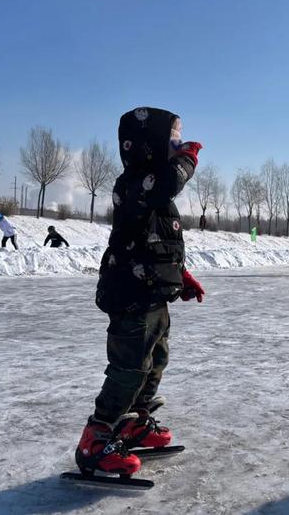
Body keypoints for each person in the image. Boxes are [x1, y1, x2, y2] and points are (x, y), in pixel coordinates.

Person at [76, 107, 205, 477]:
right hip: (130, 293)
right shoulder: (134, 184)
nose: (179, 145)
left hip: (154, 294)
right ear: (148, 147)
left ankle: (134, 422)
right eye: (174, 140)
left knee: (156, 360)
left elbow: (159, 244)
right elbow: (166, 182)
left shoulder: (159, 199)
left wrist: (181, 276)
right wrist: (186, 160)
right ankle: (96, 437)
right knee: (129, 368)